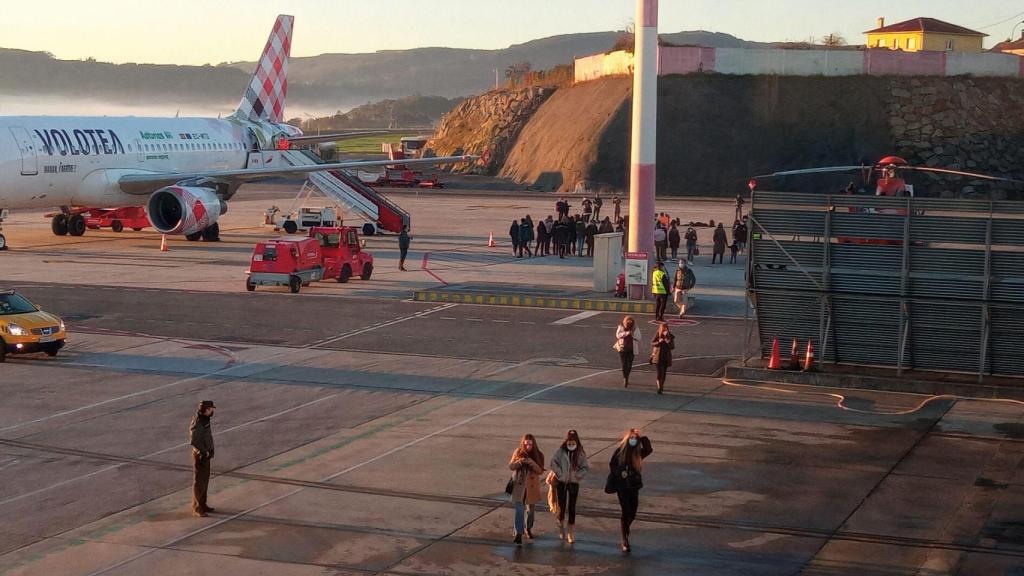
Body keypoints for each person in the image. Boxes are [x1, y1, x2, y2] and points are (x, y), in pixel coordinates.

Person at [609, 428, 653, 553]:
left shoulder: (638, 452)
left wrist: (642, 437)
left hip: (634, 486)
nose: (633, 440)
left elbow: (649, 449)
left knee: (632, 513)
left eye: (635, 438)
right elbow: (612, 464)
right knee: (625, 511)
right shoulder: (620, 451)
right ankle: (625, 540)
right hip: (622, 486)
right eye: (631, 438)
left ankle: (625, 529)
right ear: (627, 439)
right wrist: (619, 473)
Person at [549, 430, 589, 543]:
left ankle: (570, 532)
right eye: (569, 442)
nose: (571, 445)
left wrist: (577, 476)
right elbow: (553, 462)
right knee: (561, 507)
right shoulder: (561, 451)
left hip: (573, 483)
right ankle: (561, 525)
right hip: (562, 482)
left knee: (572, 507)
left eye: (573, 442)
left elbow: (585, 467)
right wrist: (560, 474)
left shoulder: (580, 453)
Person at [509, 434, 545, 545]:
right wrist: (520, 462)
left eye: (530, 444)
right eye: (526, 444)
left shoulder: (539, 454)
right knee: (519, 510)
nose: (528, 446)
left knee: (530, 510)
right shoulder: (518, 452)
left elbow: (540, 471)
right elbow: (511, 466)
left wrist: (531, 463)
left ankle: (528, 528)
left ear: (533, 444)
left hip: (531, 487)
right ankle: (518, 533)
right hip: (519, 486)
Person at [189, 400, 216, 517]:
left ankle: (203, 504)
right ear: (206, 409)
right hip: (200, 455)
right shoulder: (198, 422)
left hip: (206, 454)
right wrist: (203, 451)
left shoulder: (205, 419)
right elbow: (194, 440)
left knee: (205, 480)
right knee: (199, 481)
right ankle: (197, 507)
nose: (212, 410)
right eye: (211, 409)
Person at [614, 316, 641, 387]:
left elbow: (639, 337)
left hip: (631, 348)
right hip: (622, 348)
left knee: (629, 364)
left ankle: (627, 376)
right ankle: (625, 378)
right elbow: (617, 335)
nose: (629, 325)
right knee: (624, 363)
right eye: (627, 323)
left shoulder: (635, 328)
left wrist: (633, 335)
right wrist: (626, 333)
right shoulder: (621, 327)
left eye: (630, 323)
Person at [651, 323, 674, 394]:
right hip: (658, 356)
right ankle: (659, 387)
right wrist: (658, 342)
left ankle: (661, 385)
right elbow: (652, 343)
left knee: (664, 373)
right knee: (659, 372)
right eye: (663, 329)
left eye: (666, 328)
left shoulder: (670, 336)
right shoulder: (658, 335)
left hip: (666, 357)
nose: (664, 330)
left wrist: (668, 342)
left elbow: (672, 346)